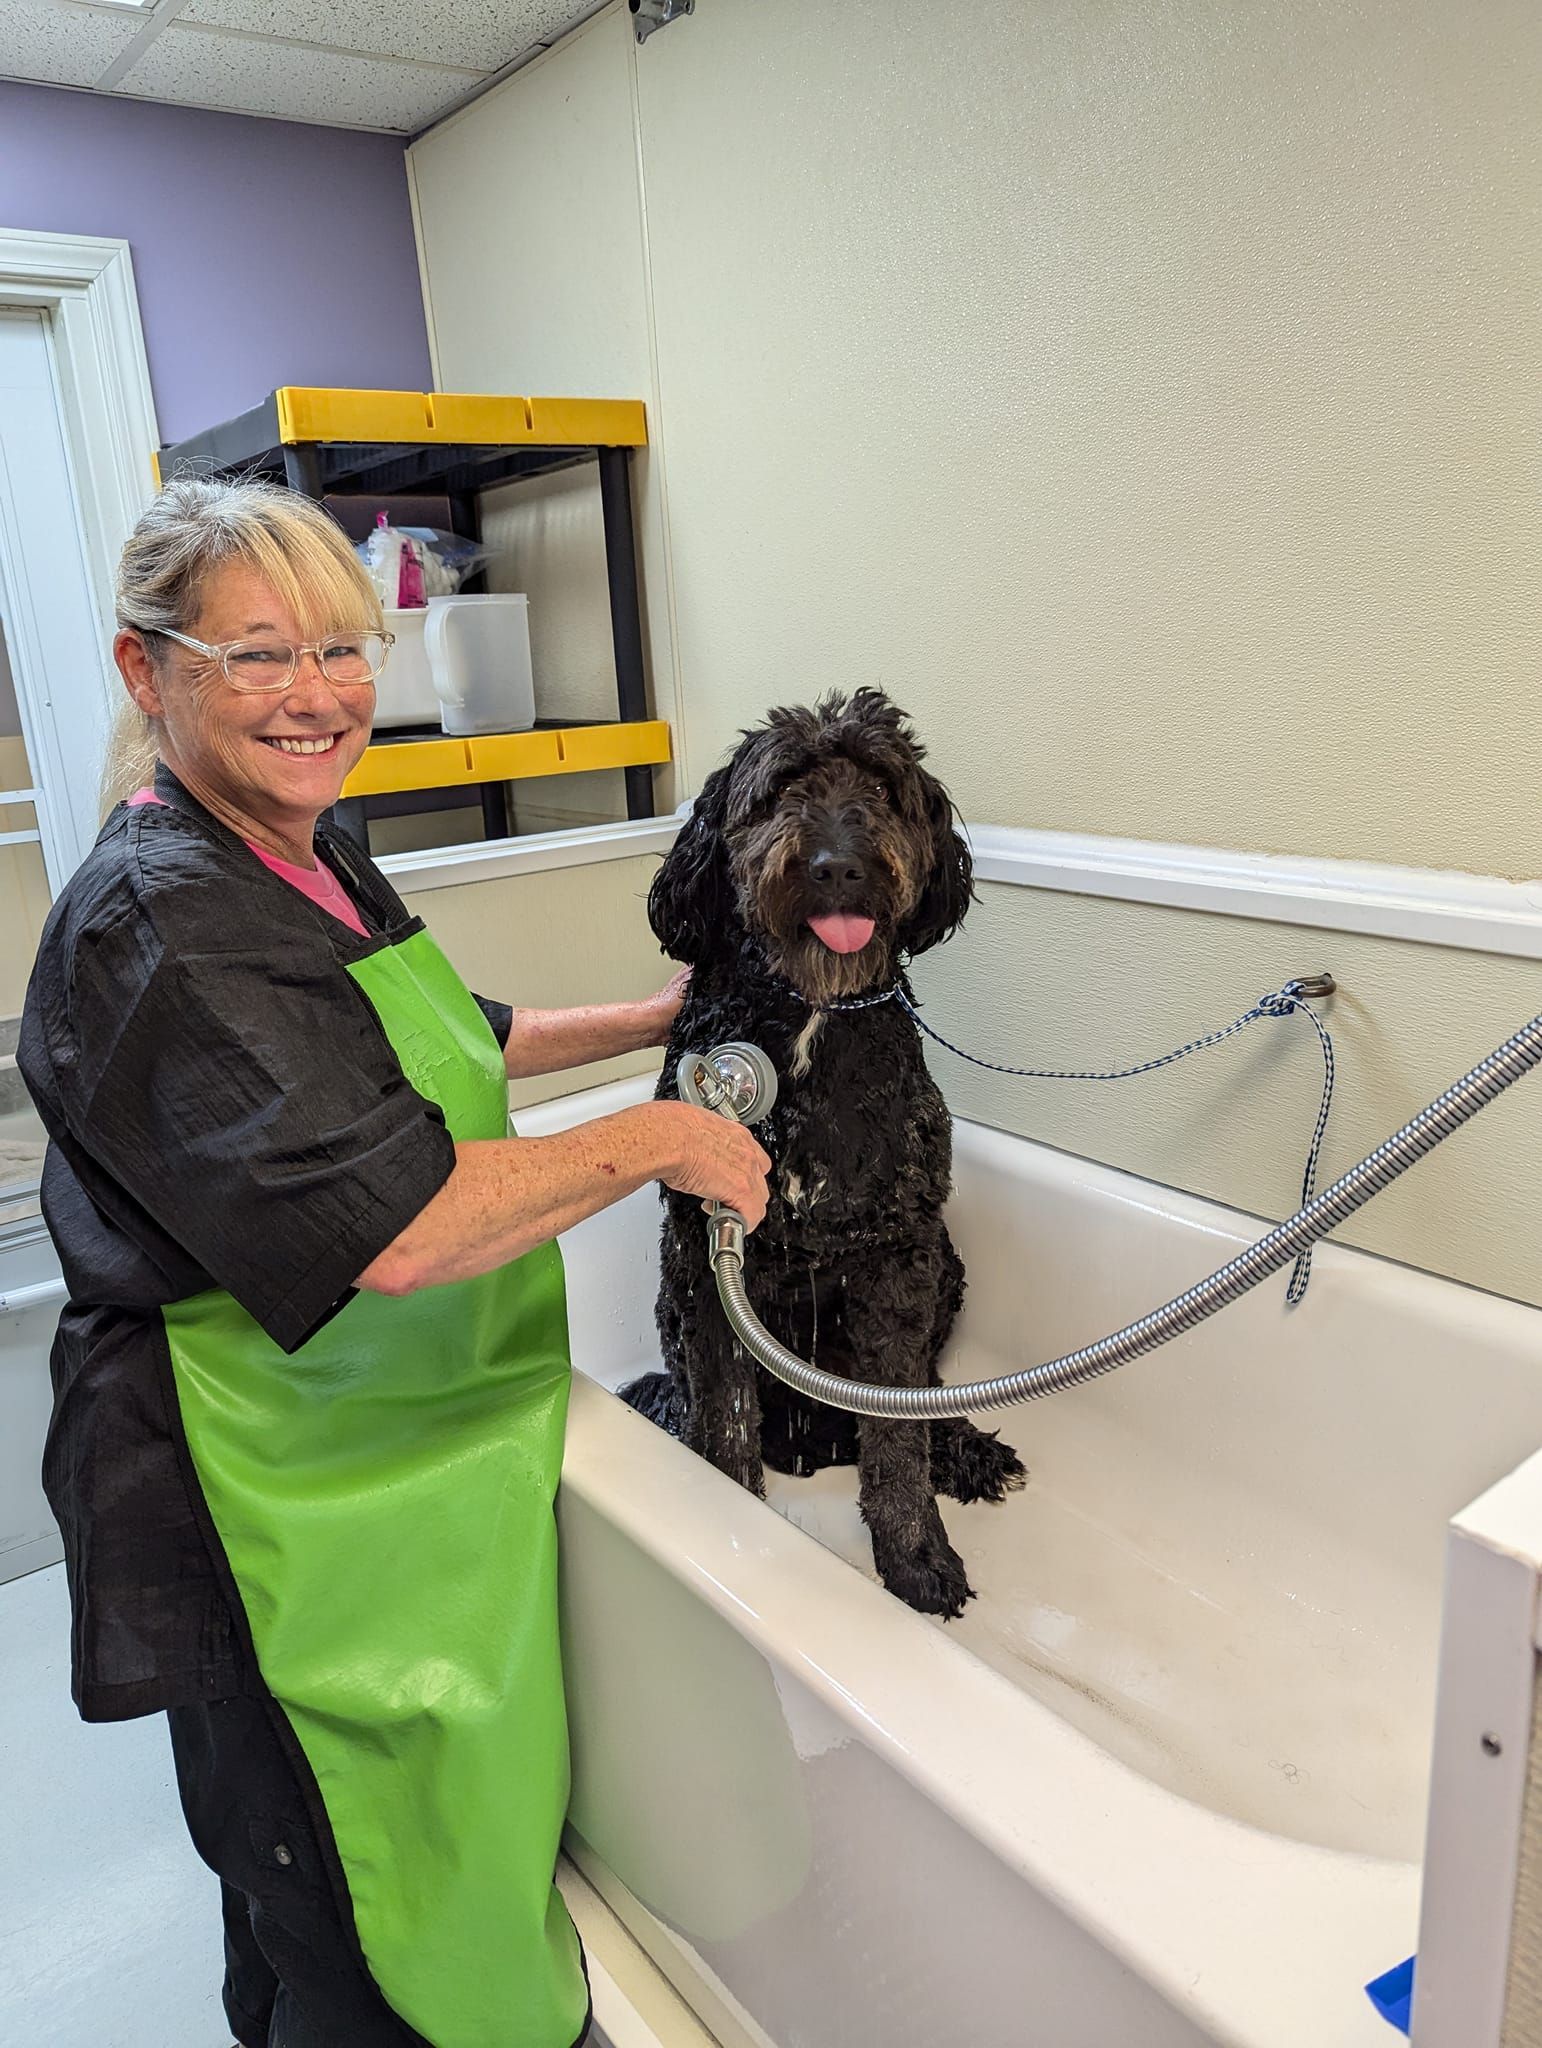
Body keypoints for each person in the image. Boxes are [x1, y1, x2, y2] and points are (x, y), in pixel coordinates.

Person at [18, 477, 770, 2048]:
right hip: (261, 1487)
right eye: (256, 655)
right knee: (346, 1901)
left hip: (382, 1438)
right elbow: (397, 1224)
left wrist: (653, 1021)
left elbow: (436, 1038)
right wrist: (658, 1138)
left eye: (343, 650)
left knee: (342, 1883)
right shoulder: (160, 925)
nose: (316, 696)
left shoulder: (293, 843)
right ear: (147, 670)